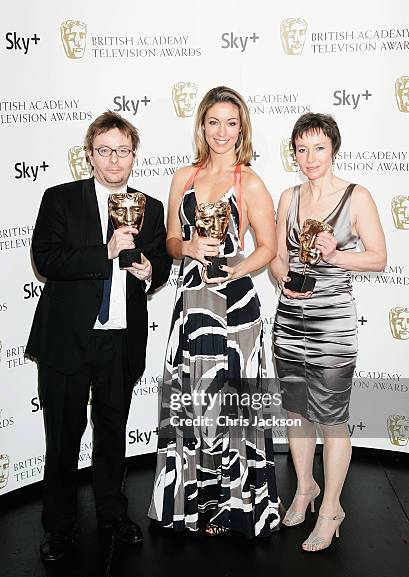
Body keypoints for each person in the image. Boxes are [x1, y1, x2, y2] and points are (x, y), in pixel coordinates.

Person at [26, 111, 172, 561]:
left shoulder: (150, 206)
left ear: (133, 156)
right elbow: (46, 259)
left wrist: (151, 270)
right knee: (63, 438)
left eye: (123, 151)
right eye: (105, 151)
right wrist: (103, 252)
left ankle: (112, 513)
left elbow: (161, 262)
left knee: (112, 433)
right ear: (89, 155)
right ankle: (59, 526)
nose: (114, 160)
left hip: (119, 340)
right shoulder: (60, 199)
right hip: (67, 340)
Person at [148, 86, 281, 538]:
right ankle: (195, 504)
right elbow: (169, 239)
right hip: (190, 300)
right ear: (201, 125)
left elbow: (269, 247)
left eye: (231, 122)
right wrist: (185, 246)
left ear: (241, 127)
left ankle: (235, 507)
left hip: (235, 305)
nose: (222, 132)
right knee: (193, 403)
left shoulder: (251, 181)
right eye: (213, 122)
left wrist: (235, 268)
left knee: (233, 407)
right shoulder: (183, 176)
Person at [270, 112, 386, 551]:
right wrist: (283, 278)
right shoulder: (288, 197)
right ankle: (305, 488)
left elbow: (378, 258)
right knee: (297, 413)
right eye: (301, 149)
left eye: (318, 148)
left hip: (334, 326)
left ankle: (332, 507)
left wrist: (336, 255)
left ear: (333, 148)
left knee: (333, 421)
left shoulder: (357, 197)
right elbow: (278, 257)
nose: (309, 157)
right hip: (289, 321)